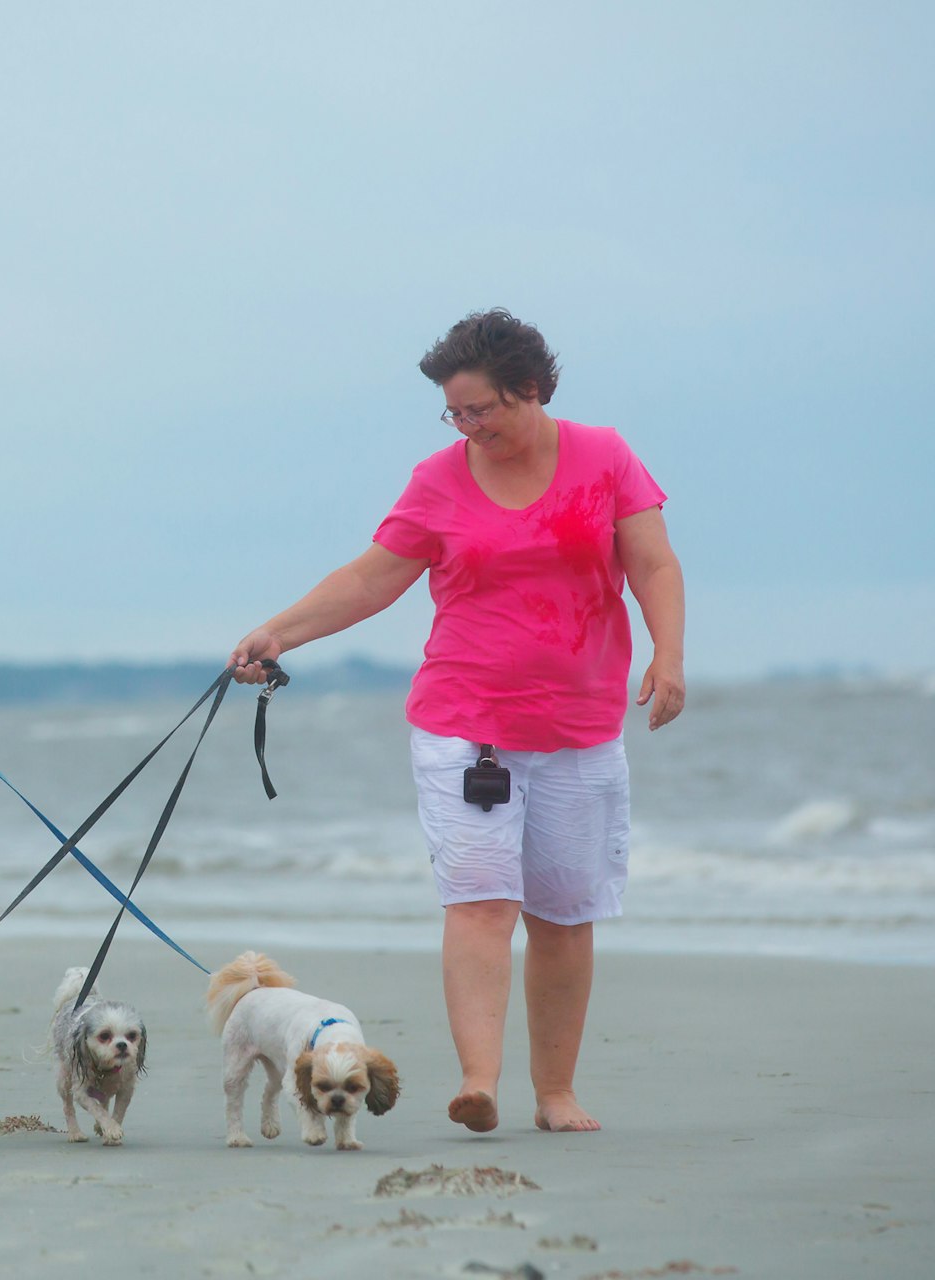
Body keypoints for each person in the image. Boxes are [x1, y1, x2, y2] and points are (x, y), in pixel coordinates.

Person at [230, 309, 685, 1136]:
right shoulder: (439, 479)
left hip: (580, 729)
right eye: (457, 412)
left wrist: (668, 654)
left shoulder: (604, 456)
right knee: (480, 902)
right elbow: (372, 579)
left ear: (533, 390)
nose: (470, 426)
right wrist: (279, 630)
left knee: (563, 913)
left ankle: (556, 1094)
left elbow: (651, 560)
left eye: (484, 409)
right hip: (465, 728)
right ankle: (480, 1082)